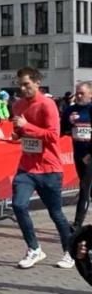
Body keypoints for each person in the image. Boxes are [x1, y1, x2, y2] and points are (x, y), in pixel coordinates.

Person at [10, 67, 74, 269]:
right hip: (26, 168)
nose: (23, 88)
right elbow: (20, 130)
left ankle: (70, 251)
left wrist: (26, 126)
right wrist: (17, 134)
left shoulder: (47, 104)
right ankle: (34, 248)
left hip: (49, 168)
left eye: (26, 84)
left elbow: (53, 135)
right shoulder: (18, 105)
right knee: (18, 205)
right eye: (20, 85)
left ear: (37, 83)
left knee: (56, 213)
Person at [62, 82, 92, 230]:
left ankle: (77, 224)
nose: (79, 96)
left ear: (90, 94)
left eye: (82, 93)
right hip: (78, 154)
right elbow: (62, 130)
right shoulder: (70, 110)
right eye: (77, 93)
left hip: (90, 155)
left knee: (84, 188)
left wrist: (90, 154)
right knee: (89, 189)